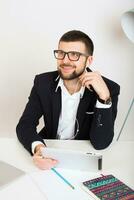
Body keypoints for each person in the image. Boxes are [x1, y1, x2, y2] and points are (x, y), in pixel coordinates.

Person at [16, 30, 120, 170]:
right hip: (49, 152)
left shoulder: (108, 89)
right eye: (61, 53)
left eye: (74, 55)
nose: (65, 61)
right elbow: (25, 124)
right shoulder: (43, 82)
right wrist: (38, 148)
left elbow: (101, 143)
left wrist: (104, 98)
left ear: (88, 60)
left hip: (83, 159)